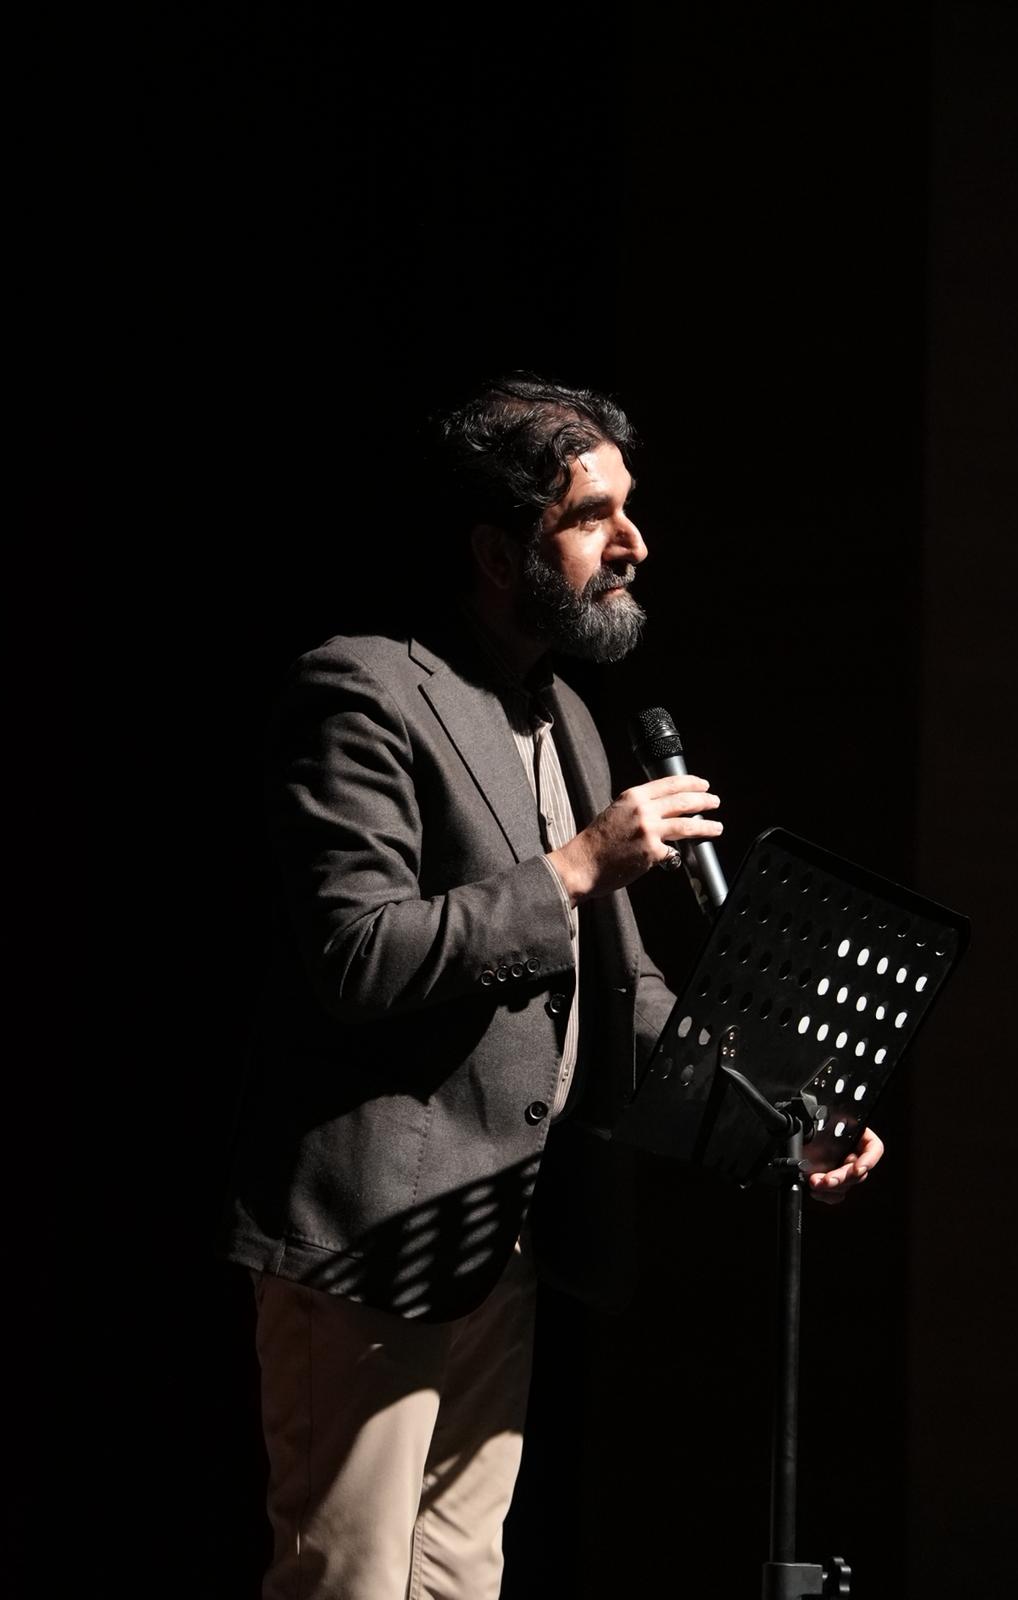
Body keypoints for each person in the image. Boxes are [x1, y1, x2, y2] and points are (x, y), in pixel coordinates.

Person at [222, 374, 883, 1600]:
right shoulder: (363, 690)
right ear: (496, 551)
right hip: (375, 1232)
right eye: (593, 516)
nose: (634, 542)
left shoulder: (566, 712)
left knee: (461, 1578)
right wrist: (574, 866)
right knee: (349, 1579)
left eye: (628, 508)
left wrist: (783, 1116)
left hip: (505, 1234)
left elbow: (621, 990)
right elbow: (358, 954)